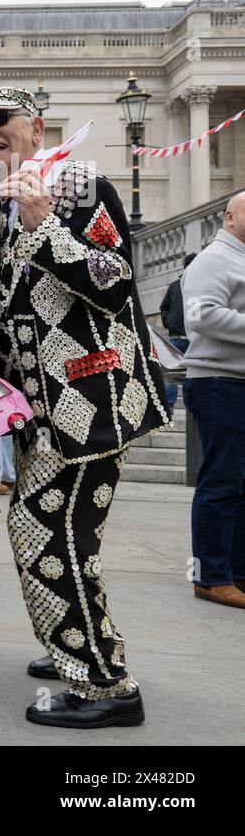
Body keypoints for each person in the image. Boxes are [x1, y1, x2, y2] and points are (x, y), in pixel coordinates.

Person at [0, 85, 168, 727]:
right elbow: (11, 308)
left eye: (1, 121)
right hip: (41, 410)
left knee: (46, 531)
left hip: (92, 397)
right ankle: (75, 646)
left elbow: (114, 282)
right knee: (57, 533)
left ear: (37, 125)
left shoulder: (75, 180)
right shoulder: (6, 201)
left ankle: (105, 685)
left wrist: (44, 225)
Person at [182, 192, 245, 610]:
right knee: (220, 483)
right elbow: (199, 314)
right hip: (219, 381)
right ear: (230, 215)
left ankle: (233, 571)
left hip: (234, 380)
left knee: (237, 485)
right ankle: (210, 575)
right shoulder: (215, 258)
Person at [159, 253, 196, 408]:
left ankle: (190, 409)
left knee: (192, 376)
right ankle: (170, 408)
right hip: (176, 337)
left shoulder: (201, 283)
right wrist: (169, 323)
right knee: (170, 376)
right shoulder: (175, 286)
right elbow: (164, 307)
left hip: (193, 339)